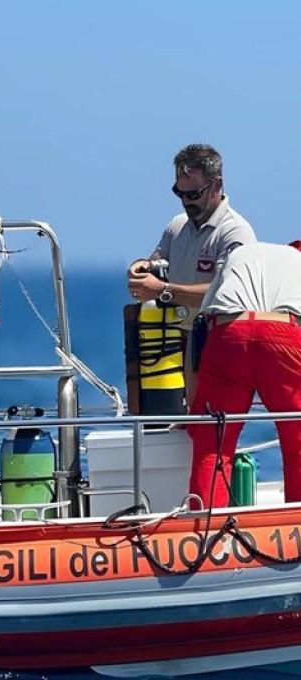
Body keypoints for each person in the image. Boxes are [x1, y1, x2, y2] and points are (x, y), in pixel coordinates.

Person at [126, 144, 256, 403]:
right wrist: (140, 267)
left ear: (216, 184)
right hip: (177, 340)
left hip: (217, 345)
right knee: (177, 421)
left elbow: (226, 295)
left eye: (194, 193)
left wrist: (162, 291)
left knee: (208, 422)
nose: (186, 201)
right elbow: (156, 261)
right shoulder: (177, 226)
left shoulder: (235, 233)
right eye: (179, 193)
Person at [188, 241, 301, 508]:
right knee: (297, 440)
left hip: (227, 335)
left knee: (212, 446)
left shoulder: (239, 254)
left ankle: (205, 531)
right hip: (282, 334)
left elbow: (202, 323)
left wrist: (194, 405)